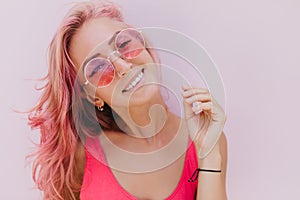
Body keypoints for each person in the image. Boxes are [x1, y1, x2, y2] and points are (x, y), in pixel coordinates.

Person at [28, 1, 228, 199]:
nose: (123, 67)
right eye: (98, 68)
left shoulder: (206, 139)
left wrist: (209, 156)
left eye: (124, 44)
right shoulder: (79, 157)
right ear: (91, 95)